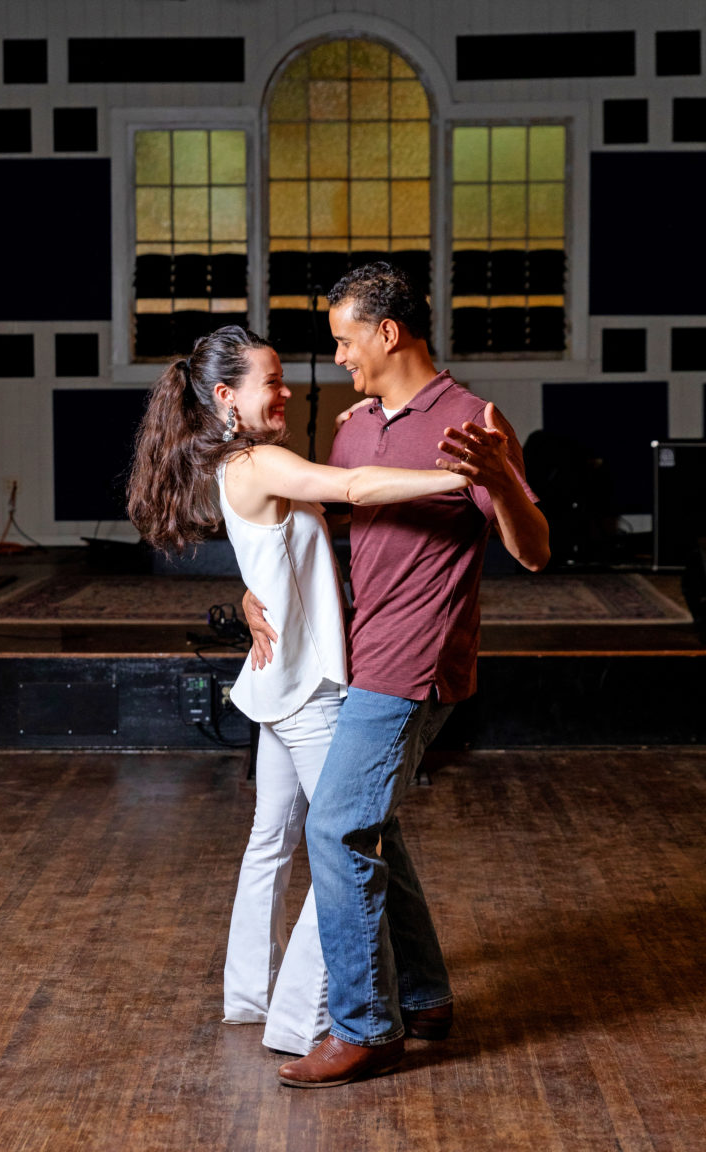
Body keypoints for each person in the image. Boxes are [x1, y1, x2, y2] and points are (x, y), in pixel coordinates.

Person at [126, 325, 470, 1058]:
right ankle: (300, 1020)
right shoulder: (261, 461)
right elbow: (349, 487)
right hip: (310, 692)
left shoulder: (232, 462)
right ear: (226, 397)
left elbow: (291, 537)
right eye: (271, 384)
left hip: (276, 683)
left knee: (273, 842)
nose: (286, 393)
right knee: (346, 847)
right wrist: (463, 478)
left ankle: (253, 998)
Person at [244, 263, 550, 1087]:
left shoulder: (474, 420)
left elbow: (533, 550)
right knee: (373, 824)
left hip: (416, 662)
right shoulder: (355, 427)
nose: (338, 356)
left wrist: (496, 480)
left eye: (345, 340)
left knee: (337, 826)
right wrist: (250, 589)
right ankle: (425, 996)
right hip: (360, 654)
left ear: (388, 333)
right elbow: (302, 525)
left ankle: (367, 1028)